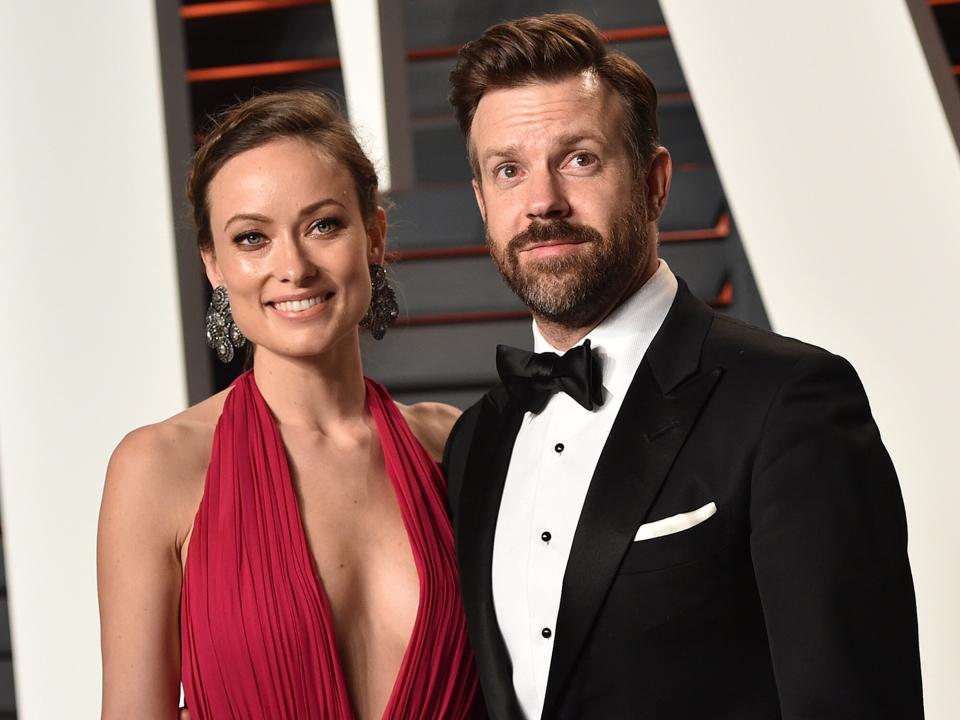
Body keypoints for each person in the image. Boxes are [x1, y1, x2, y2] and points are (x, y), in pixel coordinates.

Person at [443, 13, 924, 720]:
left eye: (579, 158)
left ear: (655, 182)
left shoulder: (790, 403)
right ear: (483, 203)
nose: (542, 201)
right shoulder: (474, 442)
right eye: (508, 170)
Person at [97, 90, 481, 719]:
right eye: (252, 238)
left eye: (323, 225)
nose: (294, 267)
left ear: (374, 236)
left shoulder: (452, 447)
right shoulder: (157, 469)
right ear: (214, 265)